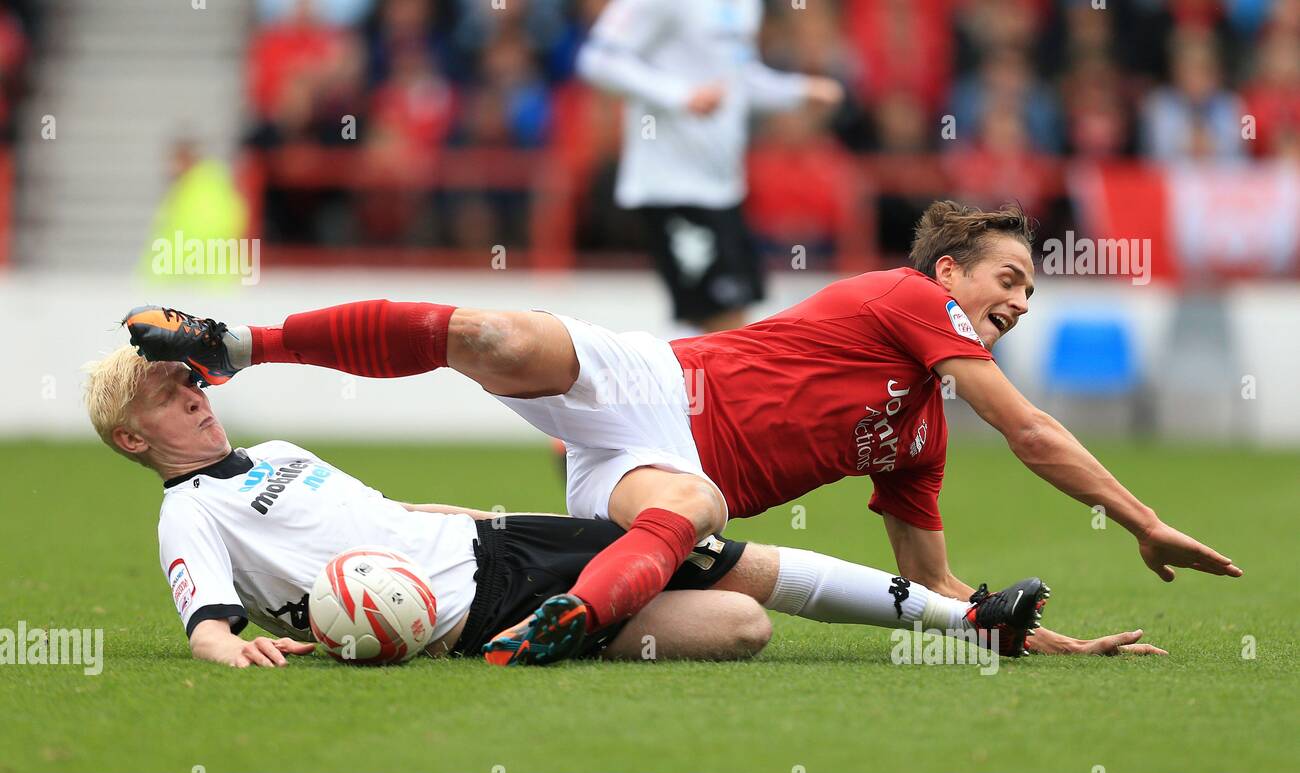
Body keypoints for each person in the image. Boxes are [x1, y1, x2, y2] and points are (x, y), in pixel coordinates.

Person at [123, 201, 1219, 665]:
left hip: (645, 479)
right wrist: (1141, 520)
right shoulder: (903, 298)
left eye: (1028, 287)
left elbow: (926, 576)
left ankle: (557, 623)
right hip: (647, 384)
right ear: (947, 275)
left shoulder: (918, 439)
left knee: (704, 536)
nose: (1019, 300)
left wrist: (1008, 631)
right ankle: (239, 337)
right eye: (1006, 279)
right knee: (490, 331)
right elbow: (1029, 434)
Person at [83, 348, 1091, 668]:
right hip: (463, 614)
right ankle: (563, 633)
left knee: (709, 552)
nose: (196, 393)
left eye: (193, 381)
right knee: (738, 631)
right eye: (170, 397)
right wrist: (235, 650)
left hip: (492, 543)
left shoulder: (281, 452)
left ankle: (970, 622)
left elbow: (383, 509)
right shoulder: (190, 515)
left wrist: (486, 517)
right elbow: (207, 618)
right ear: (135, 439)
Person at [576, 0, 843, 333]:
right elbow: (598, 59)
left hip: (722, 187)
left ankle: (692, 385)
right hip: (672, 185)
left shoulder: (746, 5)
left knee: (726, 319)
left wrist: (797, 91)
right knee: (722, 323)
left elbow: (737, 80)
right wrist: (679, 95)